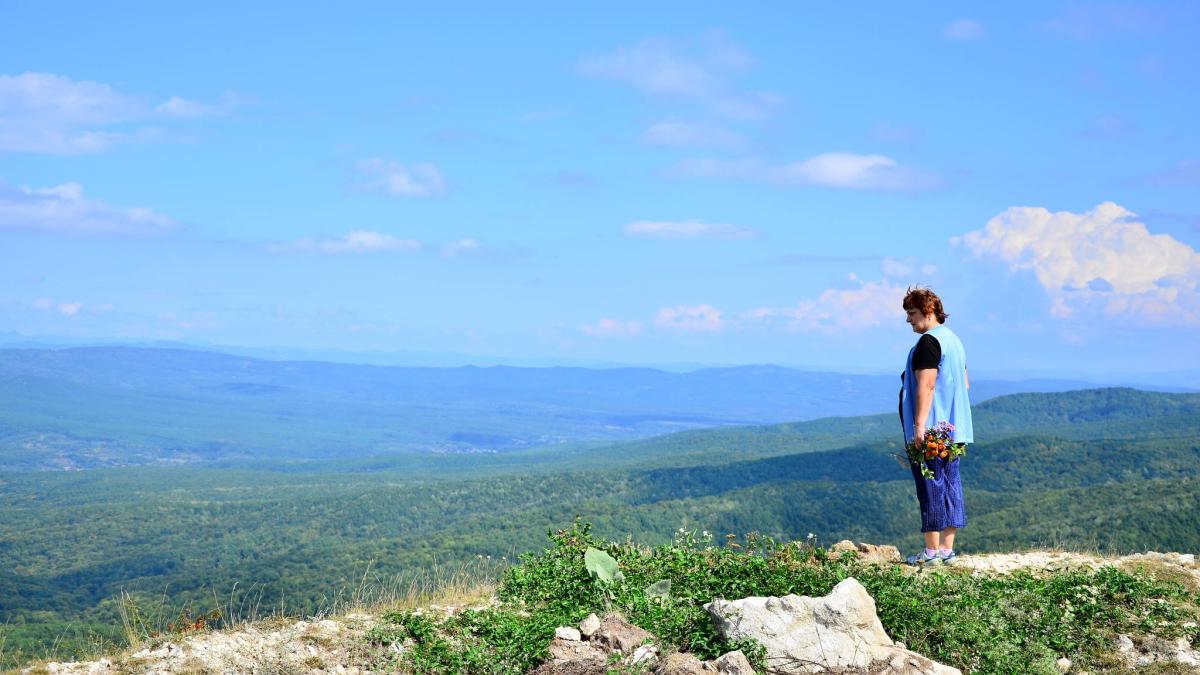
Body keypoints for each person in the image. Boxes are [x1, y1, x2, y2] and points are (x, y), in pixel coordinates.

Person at [898, 286, 973, 565]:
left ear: (928, 311)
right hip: (955, 428)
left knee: (930, 485)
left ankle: (930, 553)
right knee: (951, 484)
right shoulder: (954, 341)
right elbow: (965, 384)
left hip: (932, 431)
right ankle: (946, 550)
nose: (908, 320)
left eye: (912, 313)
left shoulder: (929, 343)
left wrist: (919, 426)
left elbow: (927, 385)